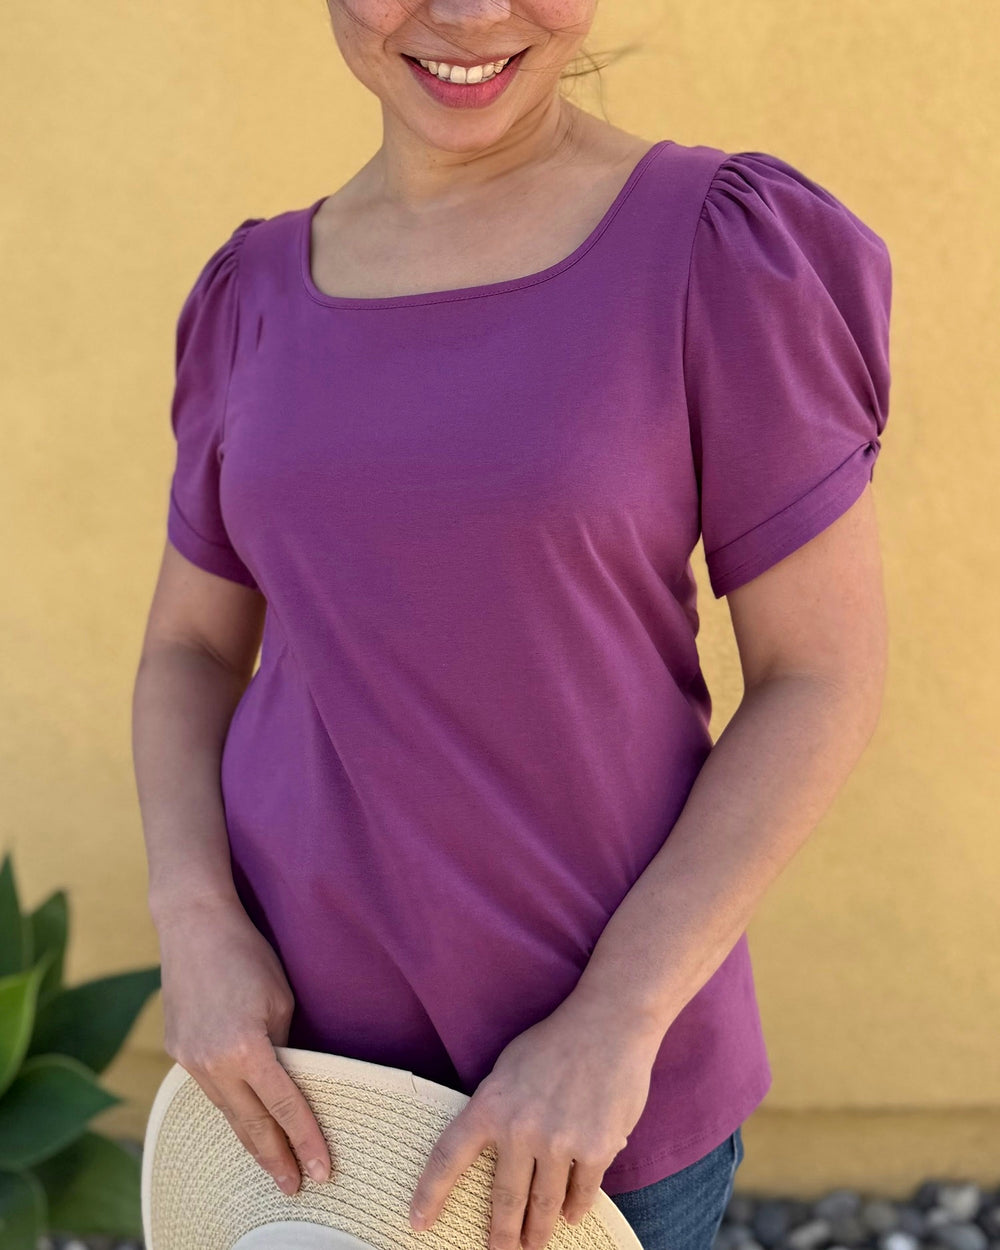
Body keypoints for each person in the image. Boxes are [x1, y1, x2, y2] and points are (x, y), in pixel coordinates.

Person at [131, 4, 892, 1250]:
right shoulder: (249, 291)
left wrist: (616, 1019)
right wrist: (193, 919)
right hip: (299, 1087)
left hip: (583, 1102)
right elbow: (191, 650)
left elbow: (821, 673)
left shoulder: (718, 248)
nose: (472, 14)